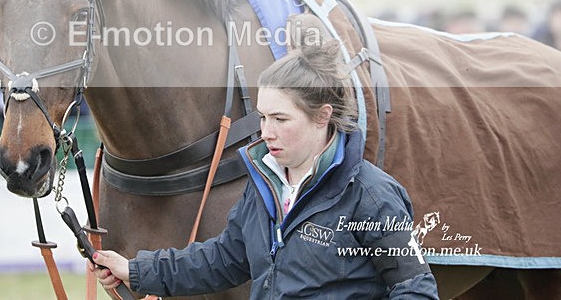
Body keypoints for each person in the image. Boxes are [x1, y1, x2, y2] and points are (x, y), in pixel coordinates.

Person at [90, 34, 439, 298]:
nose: (265, 132)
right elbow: (222, 260)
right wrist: (135, 270)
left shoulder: (373, 197)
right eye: (263, 117)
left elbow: (415, 288)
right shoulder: (264, 184)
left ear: (322, 116)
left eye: (280, 119)